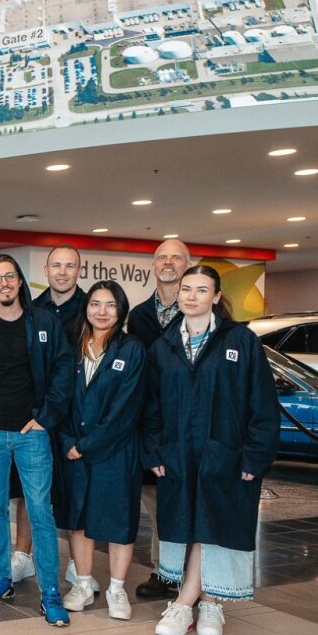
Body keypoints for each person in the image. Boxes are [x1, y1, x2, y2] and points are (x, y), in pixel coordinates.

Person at [144, 265, 278, 635]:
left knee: (213, 525)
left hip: (227, 455)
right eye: (186, 289)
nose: (192, 296)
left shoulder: (241, 341)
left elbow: (262, 402)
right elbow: (151, 408)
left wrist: (256, 455)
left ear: (216, 297)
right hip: (178, 455)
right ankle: (206, 601)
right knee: (190, 525)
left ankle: (191, 602)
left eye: (202, 290)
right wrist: (153, 451)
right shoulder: (163, 347)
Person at [0, 254, 72, 627]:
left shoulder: (44, 322)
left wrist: (46, 419)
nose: (4, 283)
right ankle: (1, 578)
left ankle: (50, 592)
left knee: (41, 512)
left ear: (20, 281)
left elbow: (63, 371)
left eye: (9, 276)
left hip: (31, 434)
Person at [57, 281, 145, 620]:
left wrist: (86, 445)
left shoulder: (132, 349)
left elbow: (125, 408)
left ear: (121, 310)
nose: (102, 311)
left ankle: (117, 589)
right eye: (95, 303)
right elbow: (60, 397)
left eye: (110, 305)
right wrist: (67, 441)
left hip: (115, 451)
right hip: (74, 450)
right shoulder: (73, 346)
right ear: (86, 307)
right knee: (78, 518)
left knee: (119, 519)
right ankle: (82, 583)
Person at [16, 244, 86, 581]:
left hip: (75, 412)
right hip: (37, 412)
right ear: (46, 271)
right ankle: (22, 555)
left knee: (74, 487)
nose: (62, 272)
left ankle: (78, 561)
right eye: (56, 265)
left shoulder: (90, 308)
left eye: (69, 266)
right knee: (30, 487)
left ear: (79, 271)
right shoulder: (32, 309)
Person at [127, 239, 191, 600]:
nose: (168, 262)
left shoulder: (199, 311)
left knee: (186, 501)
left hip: (187, 422)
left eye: (176, 257)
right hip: (150, 423)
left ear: (187, 265)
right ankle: (164, 571)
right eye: (162, 257)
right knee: (154, 502)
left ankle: (193, 575)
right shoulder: (138, 316)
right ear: (153, 265)